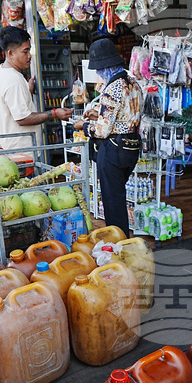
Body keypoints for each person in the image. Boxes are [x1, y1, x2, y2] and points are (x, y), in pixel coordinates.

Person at [73, 38, 144, 237]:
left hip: (114, 151)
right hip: (131, 148)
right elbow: (126, 116)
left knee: (113, 203)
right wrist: (98, 114)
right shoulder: (133, 83)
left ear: (105, 67)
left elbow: (102, 132)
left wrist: (84, 126)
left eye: (98, 69)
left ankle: (119, 245)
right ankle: (123, 240)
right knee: (118, 196)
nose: (97, 74)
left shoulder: (112, 88)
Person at [0, 26, 71, 150]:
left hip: (8, 145)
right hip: (20, 151)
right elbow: (22, 119)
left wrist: (27, 90)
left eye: (30, 51)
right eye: (25, 51)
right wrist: (54, 113)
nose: (30, 56)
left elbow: (14, 104)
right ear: (11, 53)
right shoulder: (13, 79)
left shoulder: (0, 71)